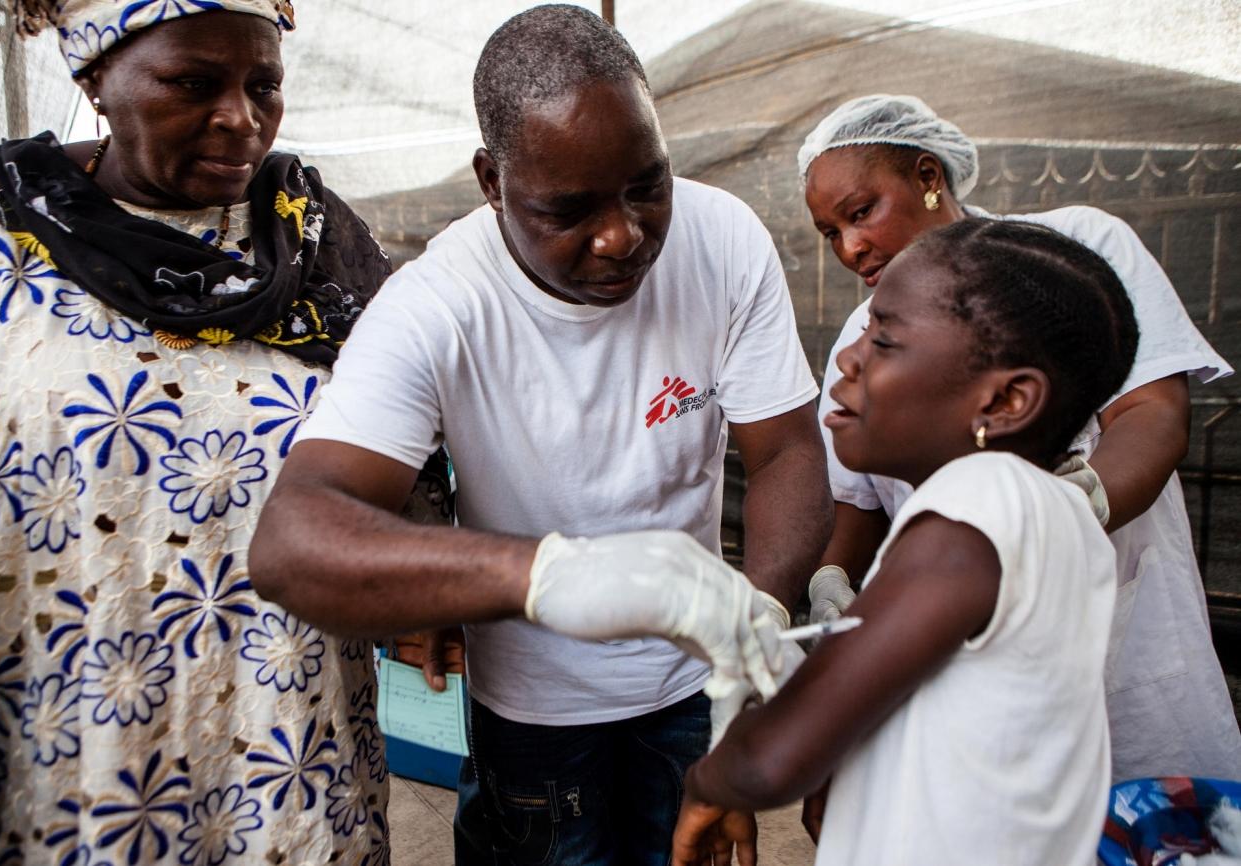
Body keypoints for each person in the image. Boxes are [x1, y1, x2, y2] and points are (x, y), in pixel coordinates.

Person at [248, 5, 833, 864]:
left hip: (695, 692)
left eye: (647, 185)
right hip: (536, 720)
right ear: (491, 181)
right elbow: (293, 545)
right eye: (569, 209)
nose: (623, 236)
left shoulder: (723, 240)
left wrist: (752, 638)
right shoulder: (436, 305)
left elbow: (783, 451)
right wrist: (549, 575)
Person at [0, 2, 448, 863]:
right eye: (193, 84)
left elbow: (415, 423)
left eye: (264, 86)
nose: (240, 118)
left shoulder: (313, 236)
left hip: (287, 739)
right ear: (96, 78)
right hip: (62, 735)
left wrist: (429, 550)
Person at [799, 94, 1241, 783]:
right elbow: (859, 504)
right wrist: (832, 581)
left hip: (1121, 653)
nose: (850, 247)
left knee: (1152, 827)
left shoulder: (1075, 252)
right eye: (830, 232)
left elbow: (1153, 414)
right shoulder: (857, 348)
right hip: (969, 680)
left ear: (927, 175)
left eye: (861, 212)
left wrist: (1062, 512)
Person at [673, 217, 1140, 866]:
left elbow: (773, 759)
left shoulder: (976, 504)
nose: (848, 356)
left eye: (885, 339)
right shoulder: (1059, 510)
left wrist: (708, 779)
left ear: (1006, 401)